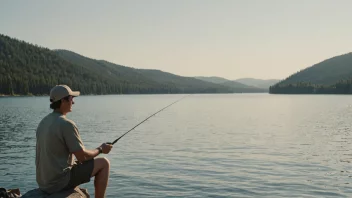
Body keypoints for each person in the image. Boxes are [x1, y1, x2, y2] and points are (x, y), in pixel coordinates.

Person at [35, 85, 113, 198]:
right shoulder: (66, 124)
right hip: (57, 183)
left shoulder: (43, 122)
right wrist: (101, 149)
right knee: (104, 163)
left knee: (77, 161)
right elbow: (83, 157)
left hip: (43, 183)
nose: (73, 102)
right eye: (71, 98)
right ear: (63, 100)